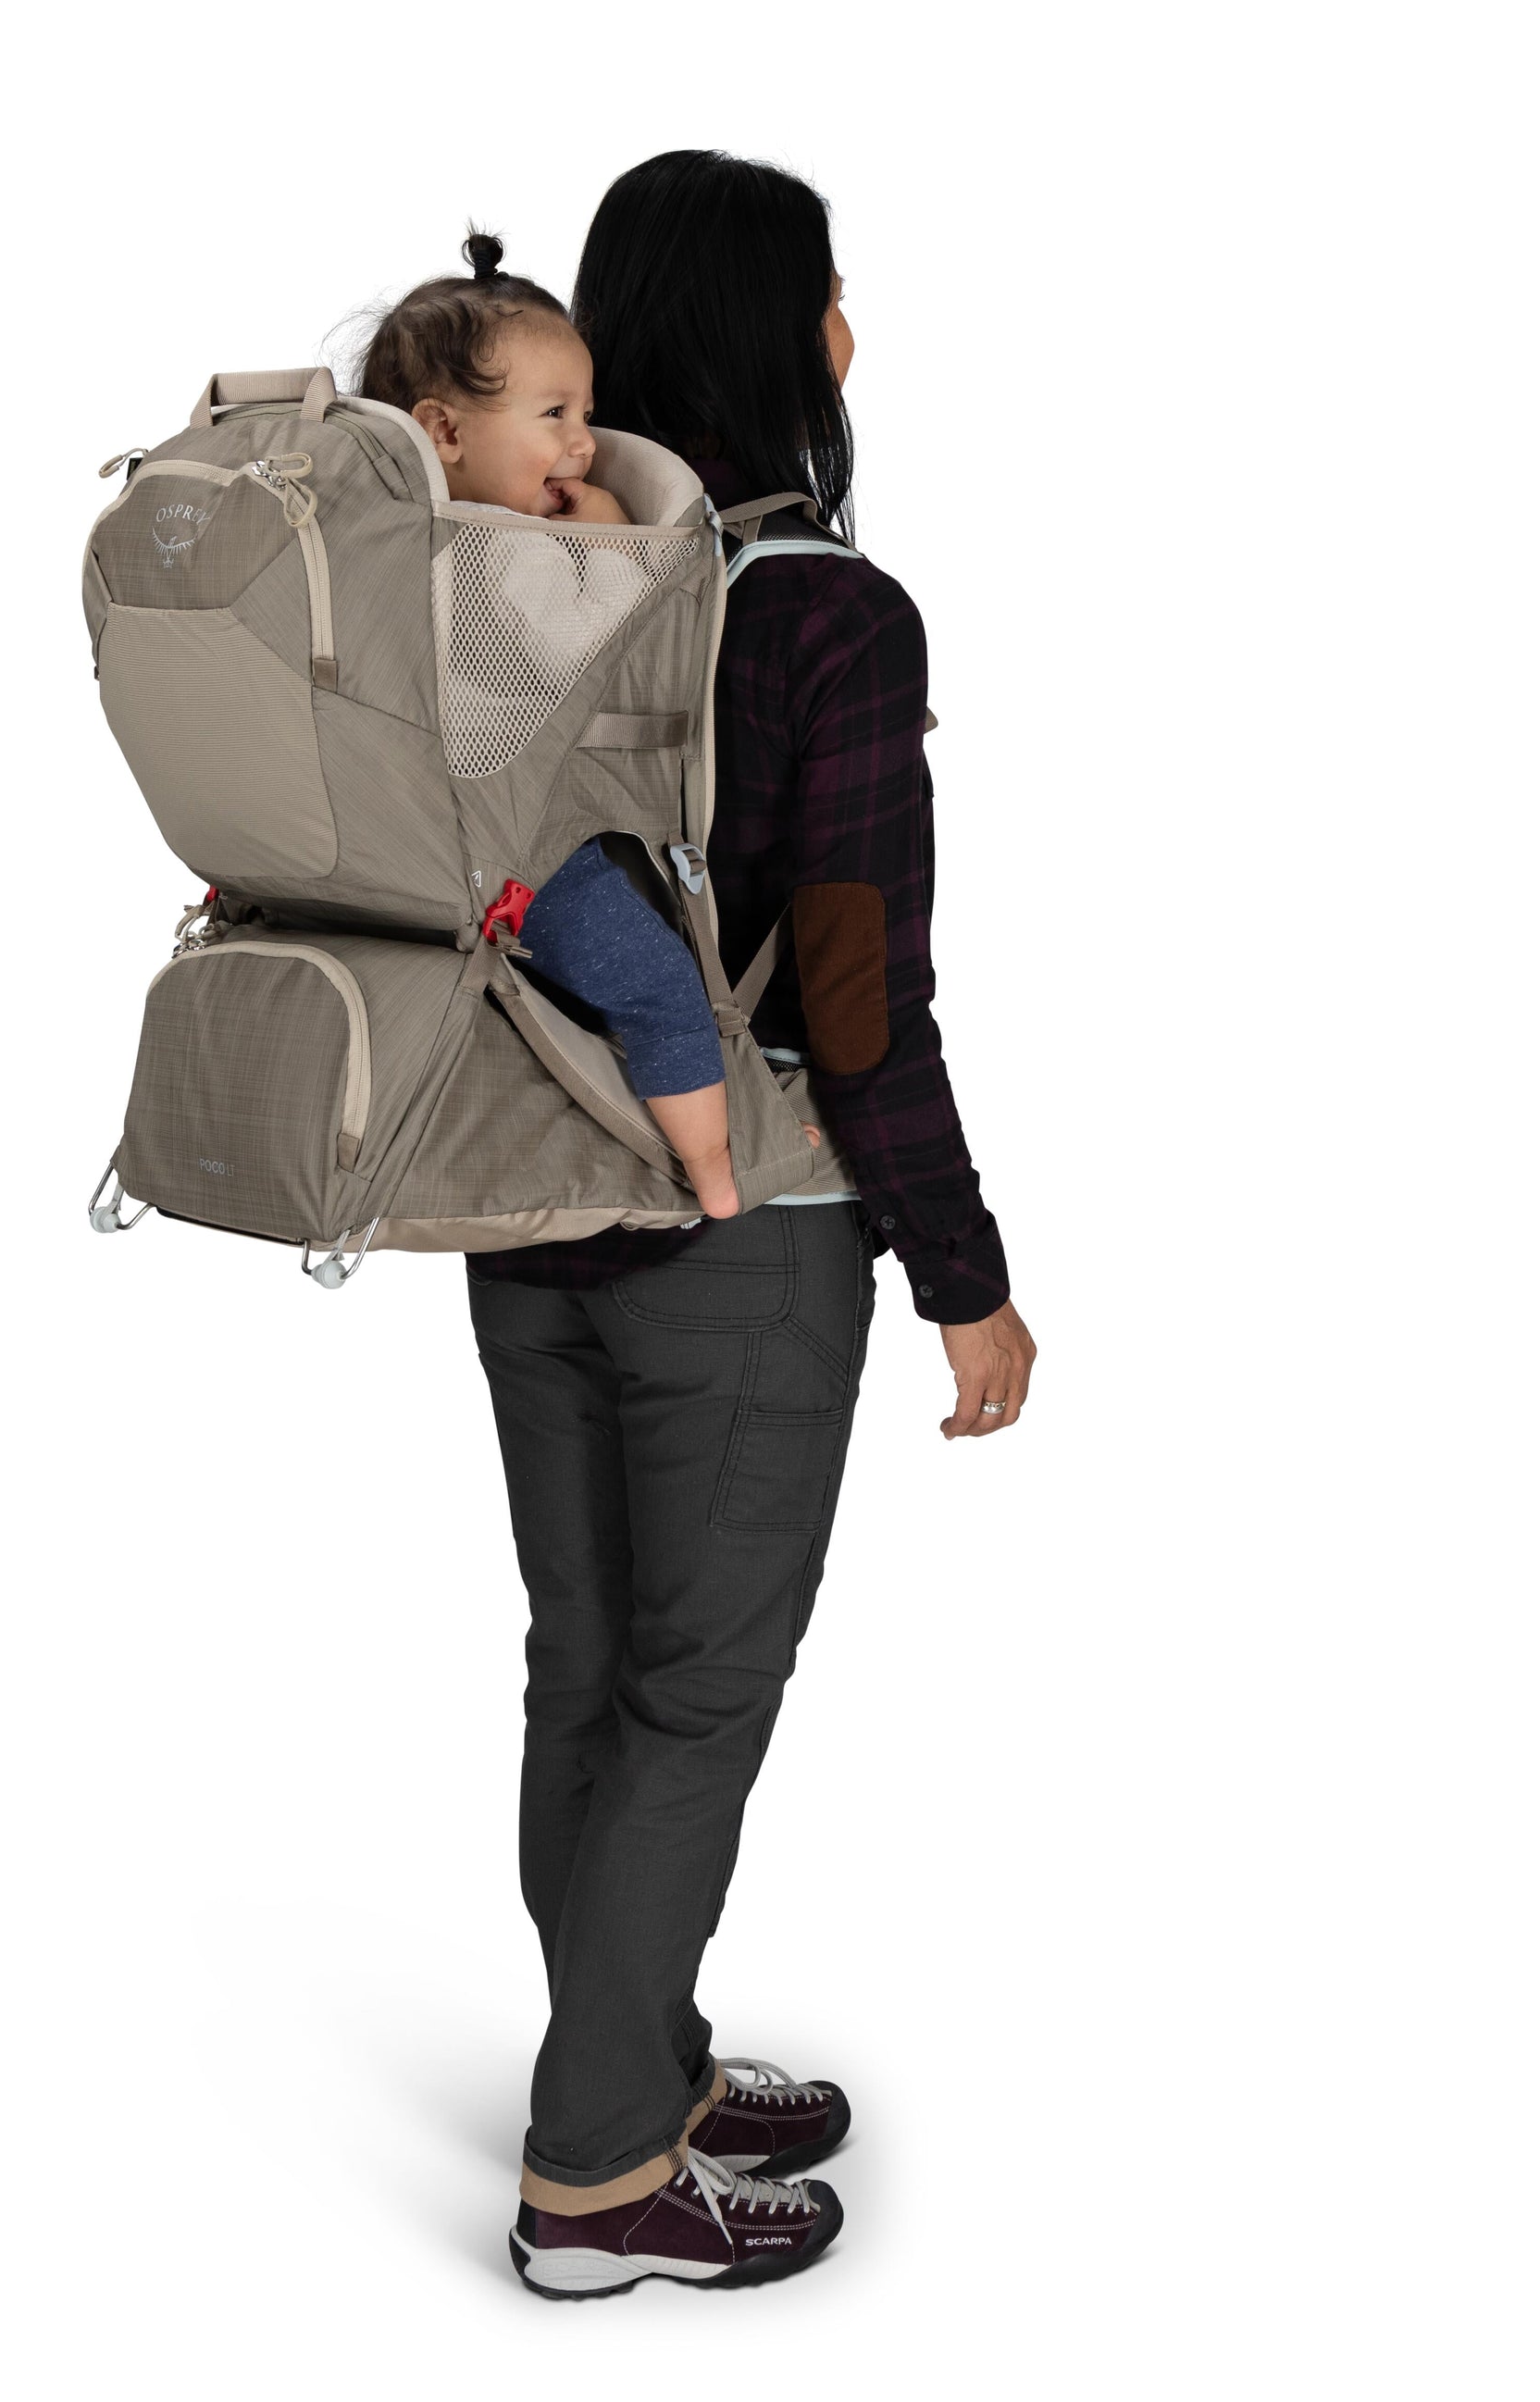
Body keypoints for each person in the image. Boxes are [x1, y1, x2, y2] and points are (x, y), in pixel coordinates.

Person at [466, 151, 1038, 2297]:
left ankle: (639, 2058)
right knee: (695, 1696)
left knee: (589, 1667)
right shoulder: (820, 613)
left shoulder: (518, 577)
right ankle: (598, 2177)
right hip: (747, 1228)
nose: (848, 332)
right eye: (827, 294)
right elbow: (859, 1000)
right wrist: (967, 1275)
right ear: (780, 334)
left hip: (523, 1193)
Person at [359, 232, 744, 1218]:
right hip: (507, 847)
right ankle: (718, 1173)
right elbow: (576, 655)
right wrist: (612, 542)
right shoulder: (502, 549)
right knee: (659, 988)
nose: (584, 442)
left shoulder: (375, 537)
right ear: (444, 430)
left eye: (586, 412)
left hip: (388, 848)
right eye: (555, 414)